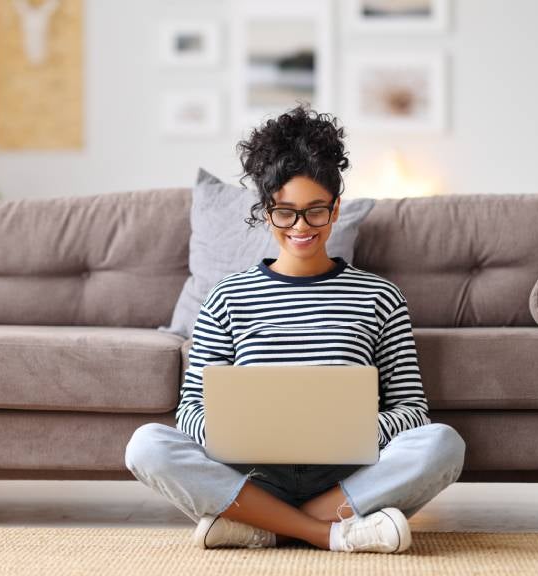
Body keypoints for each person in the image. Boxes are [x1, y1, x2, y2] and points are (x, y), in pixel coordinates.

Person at [124, 103, 465, 553]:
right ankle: (329, 533)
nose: (301, 227)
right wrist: (234, 434)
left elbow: (411, 409)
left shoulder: (380, 296)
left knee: (442, 444)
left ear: (336, 208)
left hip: (348, 476)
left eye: (315, 211)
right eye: (285, 212)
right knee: (146, 445)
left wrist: (355, 431)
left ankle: (261, 526)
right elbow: (190, 411)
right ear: (267, 212)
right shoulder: (227, 297)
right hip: (252, 475)